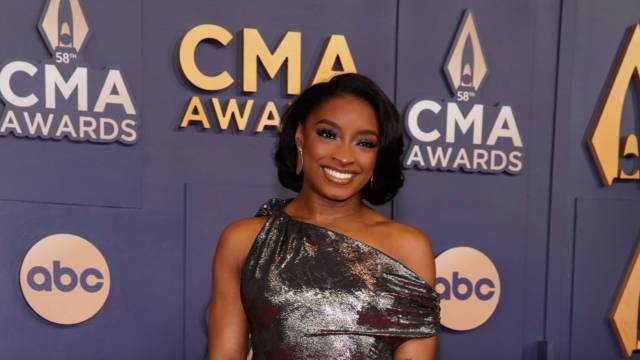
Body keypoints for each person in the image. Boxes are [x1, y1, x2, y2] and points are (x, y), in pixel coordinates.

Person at [208, 73, 440, 359]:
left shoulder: (408, 247)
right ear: (300, 137)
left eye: (365, 143)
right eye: (328, 134)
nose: (344, 157)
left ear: (378, 155)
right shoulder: (243, 240)